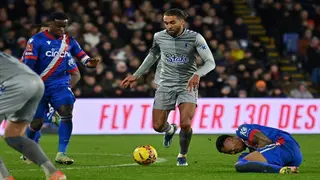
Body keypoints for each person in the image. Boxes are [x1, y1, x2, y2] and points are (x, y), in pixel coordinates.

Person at [121, 8, 216, 166]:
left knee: (186, 123)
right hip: (165, 83)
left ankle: (182, 155)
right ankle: (170, 129)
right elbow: (153, 55)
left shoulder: (195, 38)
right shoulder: (159, 37)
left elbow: (210, 62)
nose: (169, 26)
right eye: (166, 23)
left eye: (172, 22)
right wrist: (136, 75)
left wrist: (198, 74)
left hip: (187, 85)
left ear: (181, 22)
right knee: (158, 126)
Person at [21, 12, 99, 165]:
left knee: (66, 110)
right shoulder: (36, 41)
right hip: (39, 86)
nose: (62, 29)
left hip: (60, 84)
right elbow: (28, 66)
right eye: (59, 25)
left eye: (64, 26)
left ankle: (61, 153)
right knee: (37, 122)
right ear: (50, 23)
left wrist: (91, 63)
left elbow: (83, 58)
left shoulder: (69, 41)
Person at [0, 51, 66, 180]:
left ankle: (4, 177)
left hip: (16, 84)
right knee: (14, 135)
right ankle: (53, 173)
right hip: (36, 82)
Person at [216, 124, 302, 174]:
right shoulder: (249, 145)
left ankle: (279, 170)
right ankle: (287, 168)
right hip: (294, 157)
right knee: (243, 157)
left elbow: (265, 140)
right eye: (231, 153)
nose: (233, 153)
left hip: (283, 145)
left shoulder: (242, 130)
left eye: (231, 150)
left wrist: (256, 155)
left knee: (241, 164)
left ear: (229, 139)